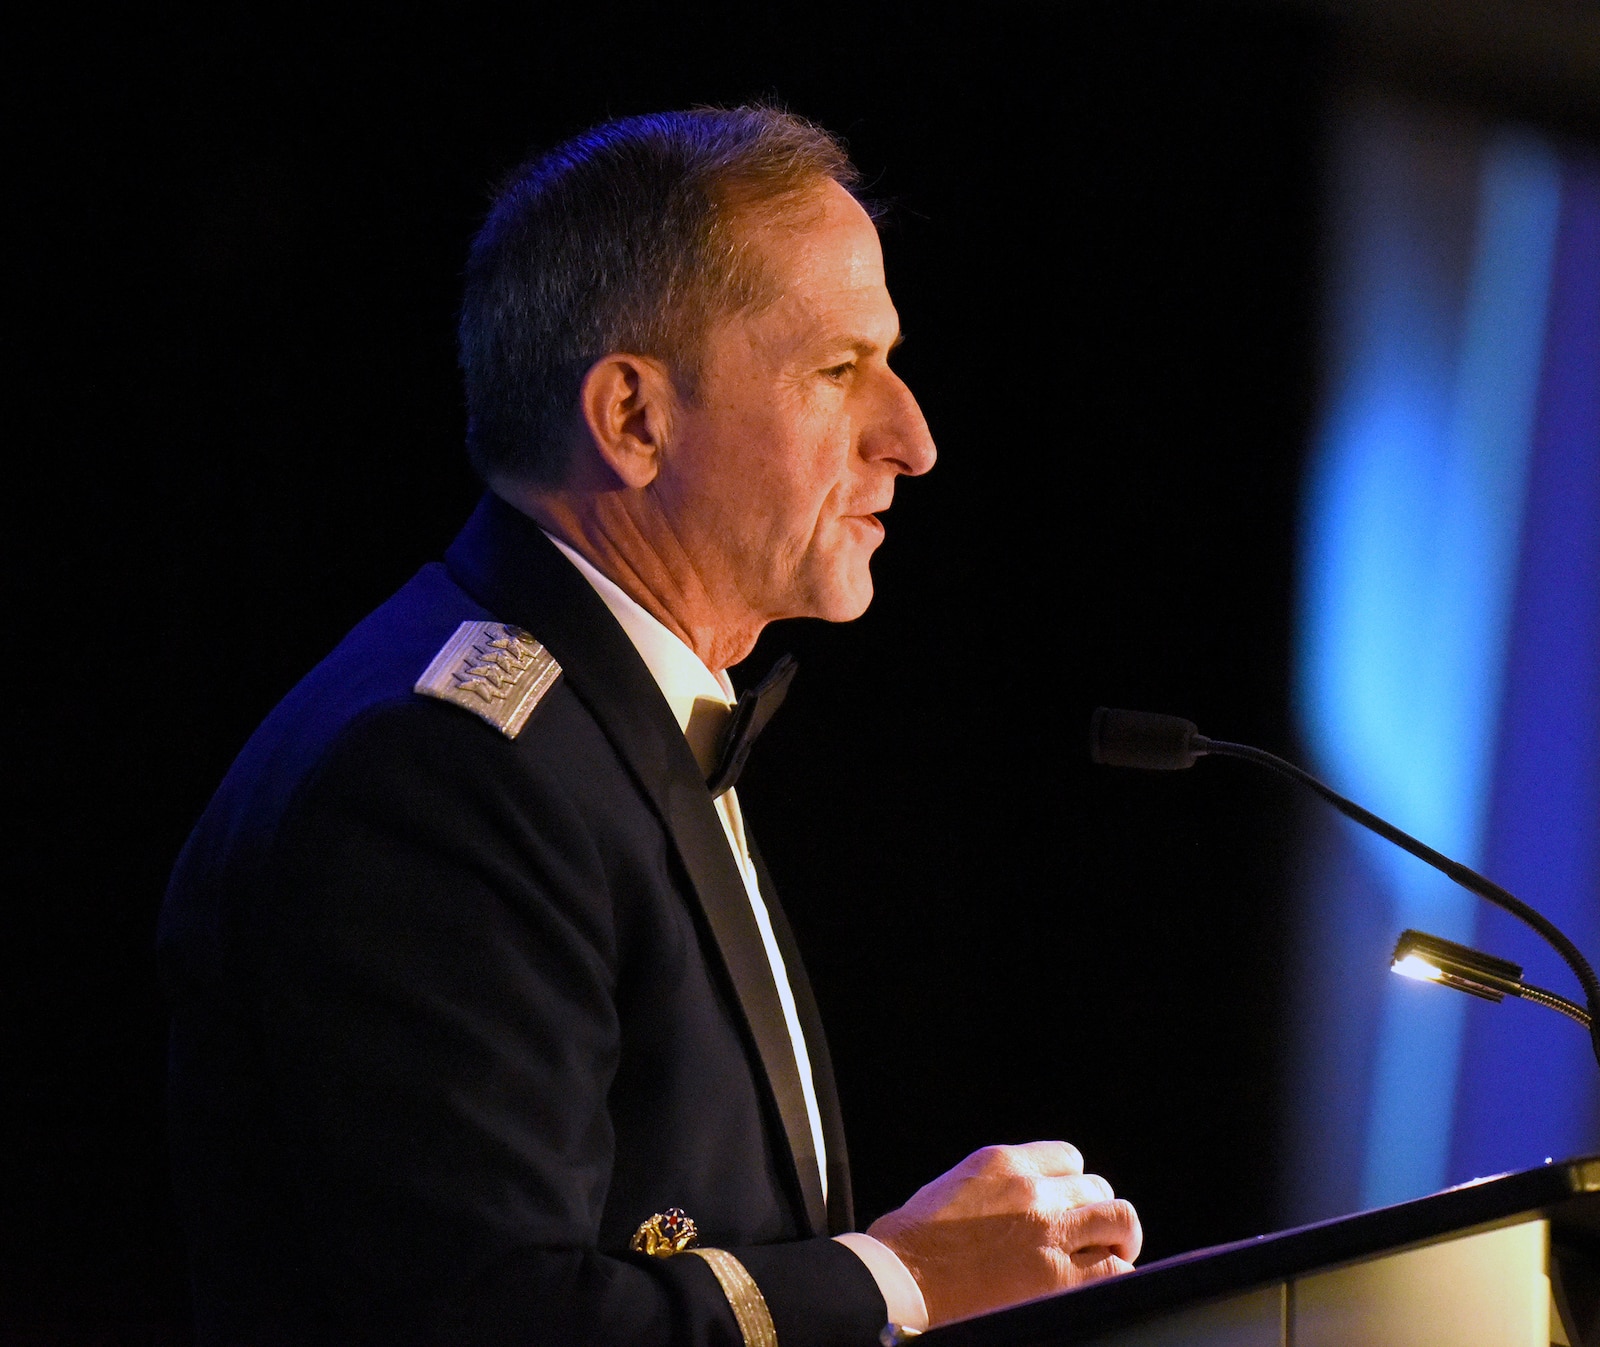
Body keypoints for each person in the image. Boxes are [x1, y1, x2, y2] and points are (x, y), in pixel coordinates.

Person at [158, 107, 1142, 1347]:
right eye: (838, 370)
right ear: (631, 417)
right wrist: (901, 1280)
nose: (913, 439)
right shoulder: (435, 774)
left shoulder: (590, 718)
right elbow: (490, 1320)